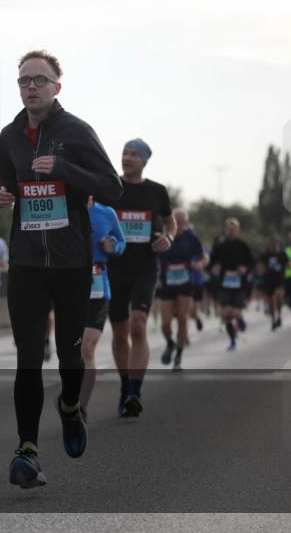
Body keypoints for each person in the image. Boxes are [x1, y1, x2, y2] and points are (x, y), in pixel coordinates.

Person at [0, 50, 122, 489]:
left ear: (56, 87)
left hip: (71, 263)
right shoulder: (10, 135)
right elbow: (5, 181)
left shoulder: (76, 132)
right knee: (28, 356)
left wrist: (65, 169)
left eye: (39, 80)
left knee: (70, 355)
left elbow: (112, 188)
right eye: (24, 80)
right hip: (26, 261)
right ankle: (27, 450)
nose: (31, 87)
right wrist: (0, 194)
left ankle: (69, 408)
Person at [105, 138, 174, 418]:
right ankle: (124, 384)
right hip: (114, 269)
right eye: (125, 153)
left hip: (145, 268)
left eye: (134, 154)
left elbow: (170, 221)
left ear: (144, 160)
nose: (127, 158)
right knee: (120, 333)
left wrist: (169, 238)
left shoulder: (156, 191)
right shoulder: (110, 188)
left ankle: (135, 391)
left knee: (138, 326)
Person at [79, 197, 125, 417]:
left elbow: (121, 242)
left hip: (98, 288)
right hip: (69, 288)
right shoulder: (63, 208)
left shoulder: (107, 213)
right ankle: (71, 397)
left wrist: (113, 246)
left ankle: (81, 408)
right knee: (71, 353)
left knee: (87, 348)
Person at [156, 209, 206, 371]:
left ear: (186, 222)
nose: (178, 223)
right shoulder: (164, 237)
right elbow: (154, 258)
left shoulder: (191, 238)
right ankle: (170, 343)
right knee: (165, 324)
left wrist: (201, 263)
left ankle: (178, 356)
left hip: (185, 283)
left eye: (181, 221)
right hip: (167, 284)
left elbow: (204, 256)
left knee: (183, 319)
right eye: (175, 220)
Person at [208, 218, 254, 351]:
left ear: (238, 231)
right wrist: (213, 268)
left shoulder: (243, 246)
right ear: (225, 230)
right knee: (225, 314)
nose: (231, 231)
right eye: (229, 229)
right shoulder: (220, 246)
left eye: (233, 229)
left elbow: (252, 263)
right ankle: (232, 340)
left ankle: (240, 320)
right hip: (224, 284)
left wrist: (245, 269)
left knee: (235, 312)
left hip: (239, 285)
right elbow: (211, 262)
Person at [256, 236, 289, 331]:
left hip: (279, 280)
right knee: (271, 301)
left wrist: (287, 265)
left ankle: (279, 316)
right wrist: (261, 270)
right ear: (269, 244)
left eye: (275, 243)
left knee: (278, 297)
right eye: (272, 243)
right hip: (268, 280)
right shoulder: (265, 254)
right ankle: (273, 319)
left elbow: (288, 264)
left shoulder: (282, 254)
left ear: (278, 244)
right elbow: (259, 265)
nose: (273, 245)